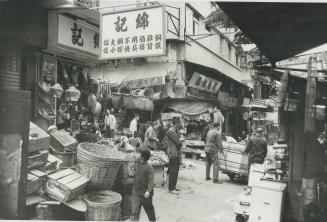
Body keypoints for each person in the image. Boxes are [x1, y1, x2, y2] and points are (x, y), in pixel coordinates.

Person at [131, 147, 156, 221]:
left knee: (149, 211)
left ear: (143, 156)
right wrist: (132, 173)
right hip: (136, 193)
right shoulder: (136, 164)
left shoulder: (149, 167)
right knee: (134, 212)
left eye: (137, 153)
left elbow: (151, 181)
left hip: (145, 195)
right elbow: (134, 174)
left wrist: (148, 191)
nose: (135, 155)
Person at [165, 117, 184, 194]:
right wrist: (182, 139)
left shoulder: (175, 130)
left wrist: (180, 138)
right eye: (180, 123)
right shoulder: (171, 131)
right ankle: (171, 188)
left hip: (176, 152)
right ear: (177, 123)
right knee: (173, 170)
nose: (181, 124)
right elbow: (178, 142)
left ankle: (173, 186)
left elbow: (179, 139)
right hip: (172, 152)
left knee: (176, 170)